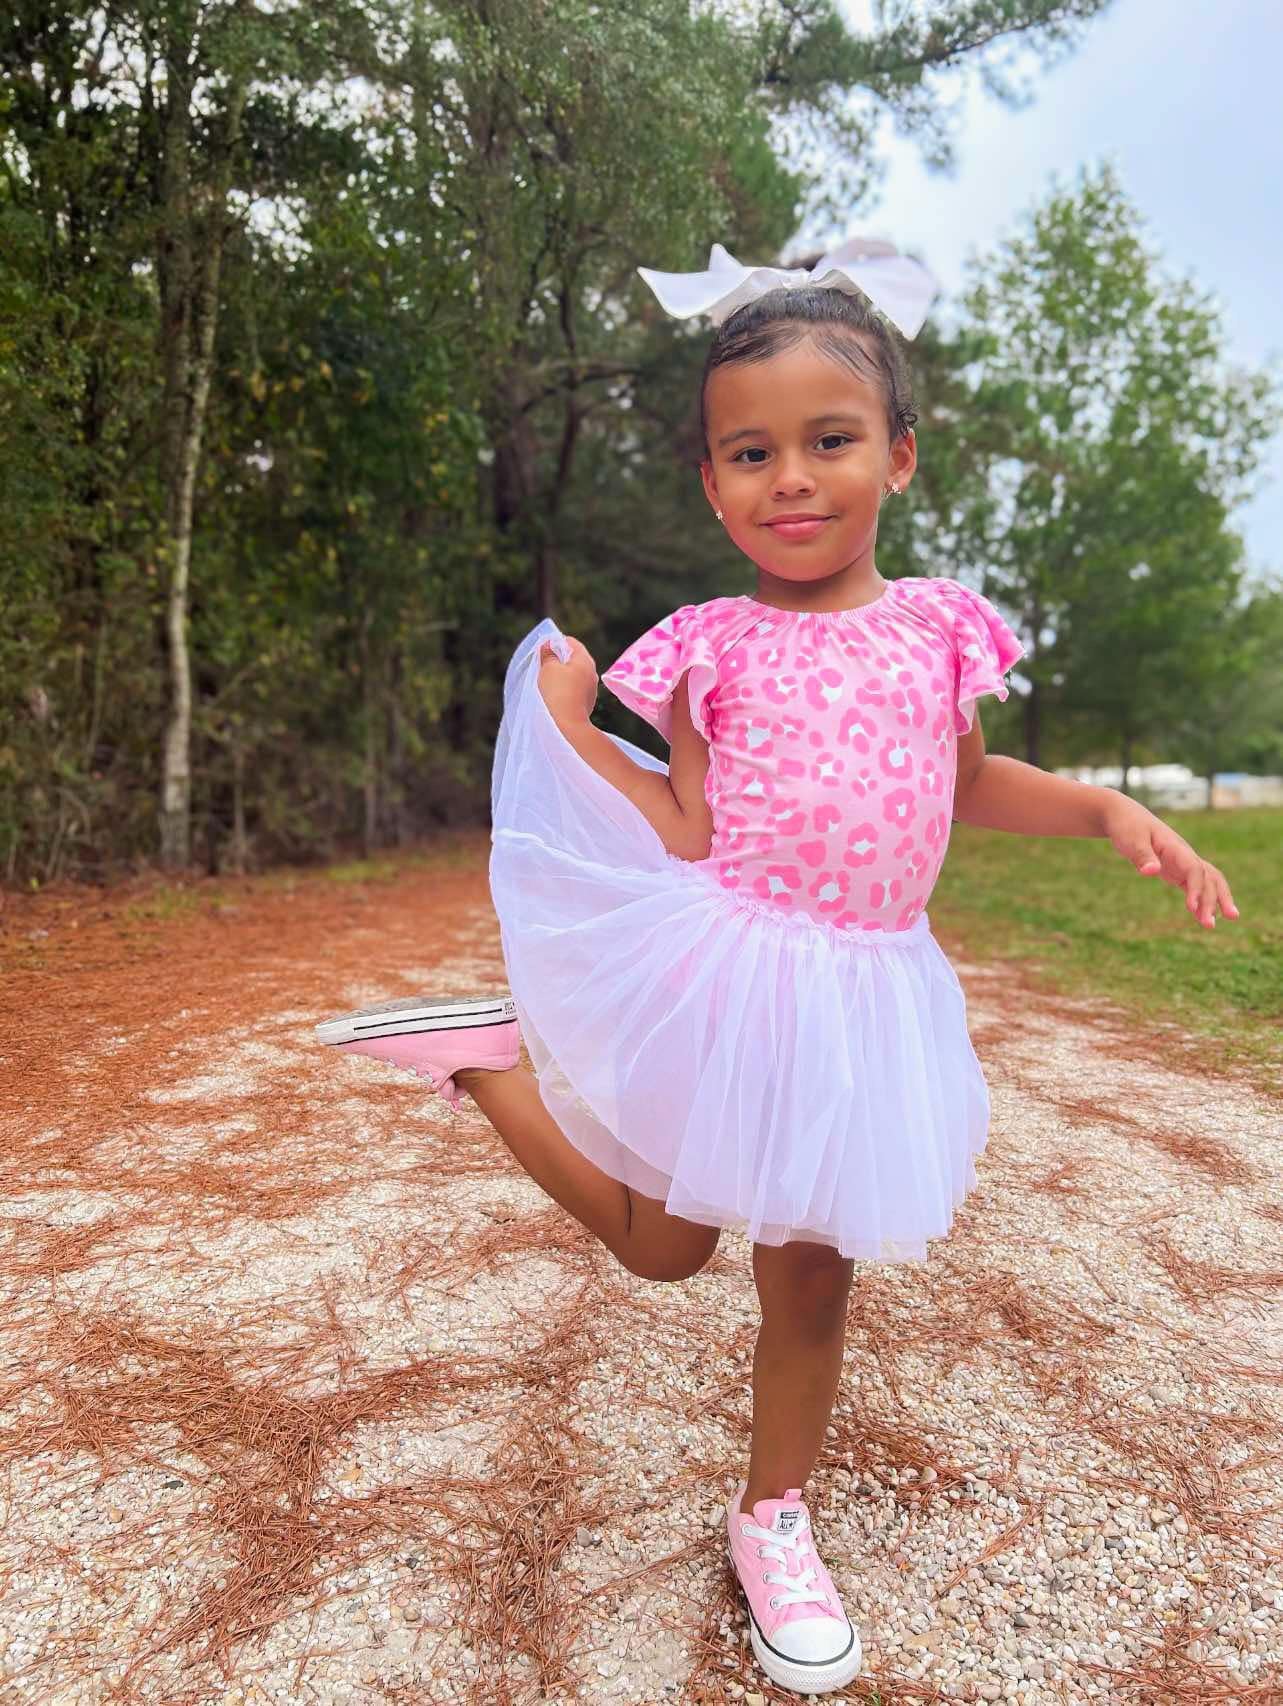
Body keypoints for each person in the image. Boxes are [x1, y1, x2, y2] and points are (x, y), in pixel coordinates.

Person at [314, 239, 1240, 1697]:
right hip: (734, 975)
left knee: (810, 1279)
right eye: (751, 452)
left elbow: (970, 785)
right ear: (710, 481)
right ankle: (487, 1066)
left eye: (830, 440)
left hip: (869, 995)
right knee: (666, 1245)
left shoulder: (937, 630)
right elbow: (684, 820)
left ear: (901, 455)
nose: (791, 478)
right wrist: (567, 728)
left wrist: (1109, 809)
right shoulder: (709, 650)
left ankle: (774, 1520)